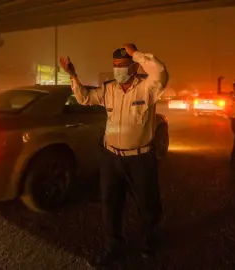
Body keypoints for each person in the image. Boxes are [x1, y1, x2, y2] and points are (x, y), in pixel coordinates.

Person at [59, 43, 167, 267]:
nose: (118, 69)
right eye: (115, 65)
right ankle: (112, 244)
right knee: (110, 203)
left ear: (134, 67)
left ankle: (148, 239)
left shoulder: (147, 88)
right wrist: (73, 76)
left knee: (147, 203)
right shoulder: (108, 89)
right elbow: (85, 98)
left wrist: (136, 54)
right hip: (111, 159)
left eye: (123, 65)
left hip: (140, 159)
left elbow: (161, 71)